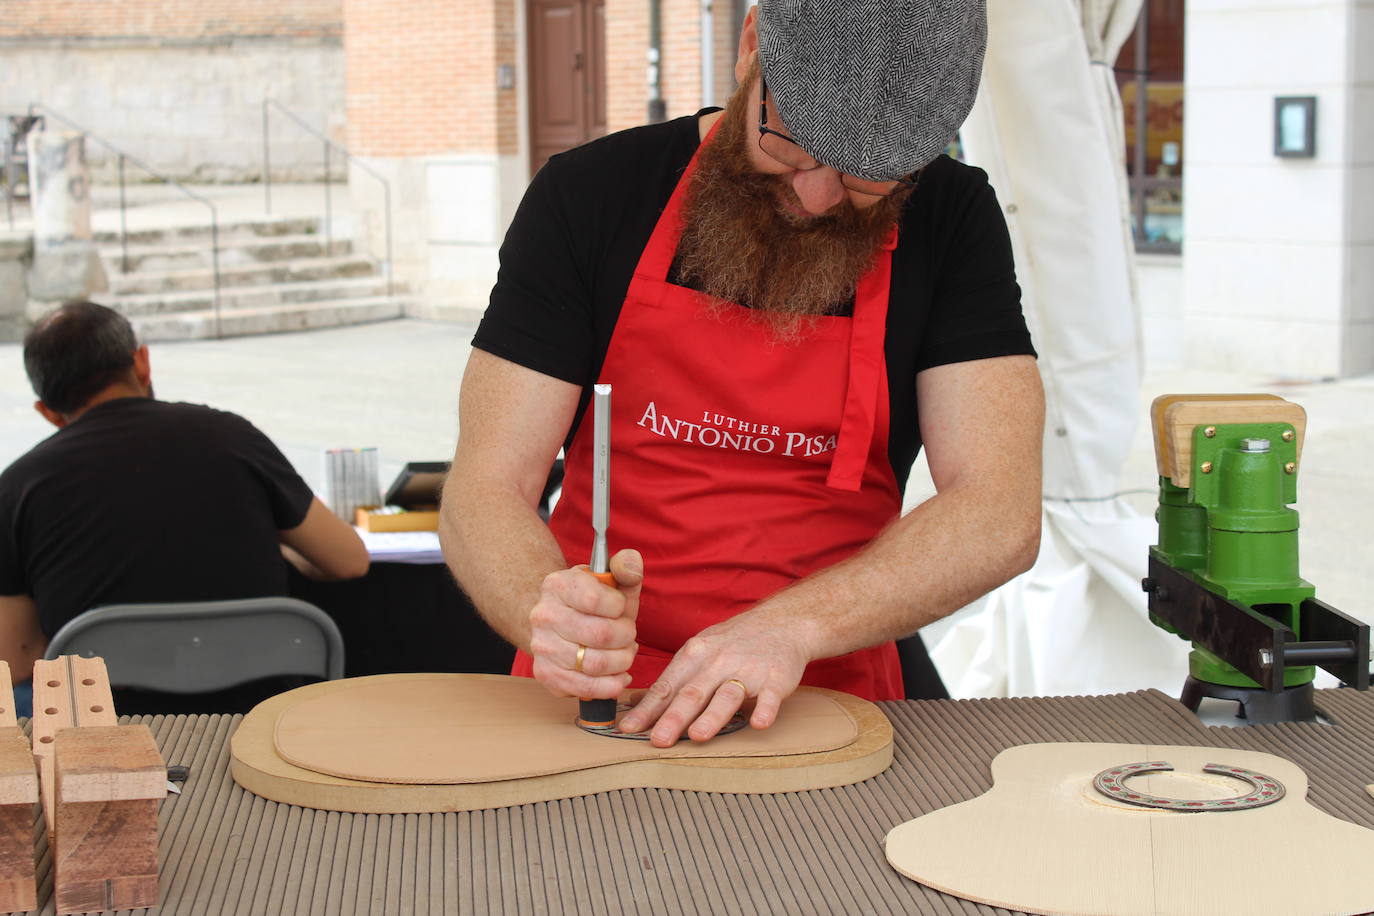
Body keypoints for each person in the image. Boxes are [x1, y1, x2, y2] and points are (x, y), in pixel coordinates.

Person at [441, 0, 1044, 747]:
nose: (816, 197)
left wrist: (789, 628)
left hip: (823, 694)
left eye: (869, 177)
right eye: (792, 143)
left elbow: (1000, 512)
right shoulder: (592, 194)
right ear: (752, 44)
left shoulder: (953, 218)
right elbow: (484, 488)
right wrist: (547, 610)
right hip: (594, 697)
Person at [0, 301, 369, 700]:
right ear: (142, 363)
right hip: (255, 714)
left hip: (106, 726)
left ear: (48, 413)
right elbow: (349, 560)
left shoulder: (17, 486)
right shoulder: (232, 437)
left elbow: (16, 660)